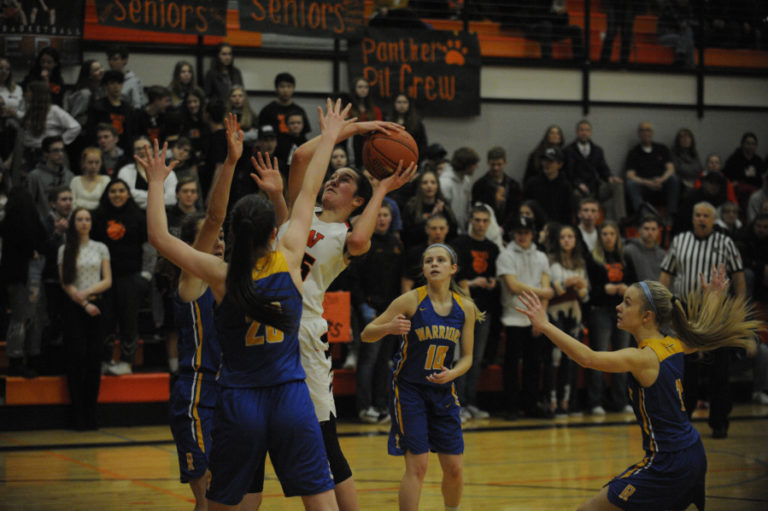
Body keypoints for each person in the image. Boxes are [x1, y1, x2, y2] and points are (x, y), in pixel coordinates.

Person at [143, 98, 350, 510]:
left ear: (234, 232)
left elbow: (161, 239)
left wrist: (154, 182)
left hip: (239, 401)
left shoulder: (221, 275)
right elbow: (309, 189)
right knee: (322, 504)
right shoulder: (290, 256)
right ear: (274, 231)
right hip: (292, 397)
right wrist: (329, 136)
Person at [516, 264, 759, 510]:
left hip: (668, 462)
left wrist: (544, 325)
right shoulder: (674, 344)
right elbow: (704, 331)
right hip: (692, 453)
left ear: (647, 316)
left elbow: (587, 358)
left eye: (628, 303)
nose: (619, 307)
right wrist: (714, 295)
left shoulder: (642, 358)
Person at [283, 111, 416, 511]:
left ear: (356, 201)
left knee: (325, 439)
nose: (332, 180)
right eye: (334, 176)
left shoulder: (344, 237)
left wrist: (381, 190)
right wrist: (351, 131)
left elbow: (362, 236)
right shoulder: (298, 211)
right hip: (268, 327)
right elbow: (300, 161)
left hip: (304, 331)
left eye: (343, 182)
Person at [166, 113, 247, 511]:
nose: (216, 244)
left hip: (234, 391)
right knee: (209, 499)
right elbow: (215, 218)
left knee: (230, 498)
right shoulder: (192, 281)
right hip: (198, 392)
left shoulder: (232, 280)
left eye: (219, 242)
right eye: (208, 240)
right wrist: (230, 163)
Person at [361, 243, 477, 511]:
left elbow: (468, 358)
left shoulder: (466, 308)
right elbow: (366, 333)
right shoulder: (411, 300)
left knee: (455, 469)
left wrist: (453, 374)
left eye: (440, 260)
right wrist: (389, 327)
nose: (434, 264)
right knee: (419, 465)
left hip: (443, 390)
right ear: (423, 269)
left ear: (453, 269)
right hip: (409, 389)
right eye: (428, 261)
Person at [660, 201, 746, 438]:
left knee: (719, 370)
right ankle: (683, 421)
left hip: (717, 312)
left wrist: (738, 311)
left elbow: (738, 277)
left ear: (713, 219)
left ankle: (719, 422)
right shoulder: (680, 241)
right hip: (686, 310)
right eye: (697, 214)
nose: (701, 219)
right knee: (687, 369)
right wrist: (662, 307)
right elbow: (666, 275)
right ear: (692, 218)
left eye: (706, 215)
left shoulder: (725, 242)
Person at [58, 207, 111, 430]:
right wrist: (83, 302)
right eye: (79, 219)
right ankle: (77, 415)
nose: (83, 223)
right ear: (73, 223)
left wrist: (88, 296)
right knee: (76, 358)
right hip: (74, 307)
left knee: (94, 360)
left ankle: (92, 414)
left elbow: (107, 280)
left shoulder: (100, 247)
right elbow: (66, 283)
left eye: (87, 219)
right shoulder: (65, 249)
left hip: (96, 306)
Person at [352, 201, 405, 424]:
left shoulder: (396, 244)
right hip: (370, 310)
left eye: (386, 215)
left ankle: (381, 405)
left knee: (384, 360)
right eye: (379, 215)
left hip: (390, 311)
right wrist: (363, 306)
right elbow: (354, 279)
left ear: (391, 218)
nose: (383, 219)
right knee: (368, 359)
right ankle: (364, 407)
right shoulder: (364, 243)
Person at [496, 215, 553, 418]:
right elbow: (513, 286)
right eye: (519, 232)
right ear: (513, 234)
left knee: (534, 363)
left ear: (532, 234)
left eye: (526, 232)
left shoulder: (541, 257)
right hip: (513, 316)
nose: (522, 236)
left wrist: (542, 317)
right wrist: (541, 292)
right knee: (512, 364)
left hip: (535, 317)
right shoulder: (506, 255)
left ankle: (531, 404)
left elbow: (547, 287)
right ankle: (511, 406)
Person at [91, 179, 147, 376]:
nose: (117, 194)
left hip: (130, 277)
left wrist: (145, 275)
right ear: (107, 194)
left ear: (128, 194)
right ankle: (105, 360)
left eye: (121, 190)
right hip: (103, 279)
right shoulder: (97, 217)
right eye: (113, 191)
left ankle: (126, 361)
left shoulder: (139, 217)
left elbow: (148, 245)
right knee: (105, 321)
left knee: (129, 321)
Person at [453, 204, 499, 420]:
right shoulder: (459, 244)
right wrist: (472, 282)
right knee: (462, 357)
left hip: (484, 310)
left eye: (484, 221)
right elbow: (456, 277)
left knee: (476, 358)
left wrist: (492, 282)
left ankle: (471, 402)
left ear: (489, 223)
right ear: (471, 220)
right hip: (462, 310)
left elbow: (497, 276)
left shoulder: (492, 248)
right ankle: (458, 403)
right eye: (477, 220)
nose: (481, 224)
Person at [586, 220, 636, 414]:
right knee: (599, 356)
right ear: (600, 236)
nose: (608, 237)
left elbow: (635, 285)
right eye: (605, 234)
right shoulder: (594, 258)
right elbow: (590, 291)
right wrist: (604, 289)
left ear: (617, 236)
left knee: (622, 356)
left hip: (621, 311)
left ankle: (621, 401)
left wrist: (627, 289)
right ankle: (595, 401)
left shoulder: (625, 257)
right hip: (600, 311)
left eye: (611, 233)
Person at [545, 224, 588, 415]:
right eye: (563, 237)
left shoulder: (580, 263)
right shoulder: (550, 261)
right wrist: (566, 284)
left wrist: (580, 288)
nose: (567, 240)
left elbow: (586, 295)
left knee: (571, 357)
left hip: (574, 315)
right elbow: (549, 291)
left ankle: (567, 401)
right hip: (555, 314)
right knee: (554, 358)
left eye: (570, 236)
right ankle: (552, 401)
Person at [624, 121, 680, 222]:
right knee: (630, 184)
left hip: (661, 183)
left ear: (652, 133)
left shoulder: (662, 149)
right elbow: (630, 175)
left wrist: (661, 180)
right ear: (639, 133)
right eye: (643, 130)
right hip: (644, 185)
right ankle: (645, 216)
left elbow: (671, 169)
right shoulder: (634, 152)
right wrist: (647, 183)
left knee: (674, 179)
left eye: (648, 130)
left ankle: (671, 216)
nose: (646, 133)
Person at [20, 81, 80, 168]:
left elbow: (75, 127)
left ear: (36, 94)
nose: (26, 94)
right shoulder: (29, 110)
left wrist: (59, 142)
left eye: (29, 91)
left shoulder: (54, 110)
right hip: (30, 153)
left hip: (48, 154)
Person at [402, 169, 458, 248]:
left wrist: (443, 213)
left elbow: (453, 232)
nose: (429, 186)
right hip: (417, 249)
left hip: (442, 248)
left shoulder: (444, 205)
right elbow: (408, 234)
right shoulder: (411, 206)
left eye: (433, 182)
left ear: (437, 185)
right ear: (419, 186)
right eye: (425, 182)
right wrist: (432, 216)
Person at [118, 136, 177, 209]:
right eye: (138, 149)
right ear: (134, 152)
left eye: (146, 148)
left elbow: (171, 199)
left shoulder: (167, 171)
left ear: (153, 150)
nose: (142, 151)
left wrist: (143, 203)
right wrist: (159, 197)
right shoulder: (125, 171)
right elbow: (125, 195)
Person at [86, 70, 134, 155]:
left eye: (119, 83)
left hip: (124, 150)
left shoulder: (128, 108)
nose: (116, 87)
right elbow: (91, 131)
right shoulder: (97, 107)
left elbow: (130, 133)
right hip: (102, 149)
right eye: (112, 83)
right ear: (106, 86)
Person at [471, 146, 522, 225]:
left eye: (499, 164)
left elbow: (516, 211)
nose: (496, 168)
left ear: (505, 163)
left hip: (509, 229)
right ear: (488, 163)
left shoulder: (514, 185)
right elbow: (477, 210)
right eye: (493, 164)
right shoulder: (479, 185)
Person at [26, 135, 74, 219]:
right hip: (43, 225)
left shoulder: (69, 176)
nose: (60, 154)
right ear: (46, 153)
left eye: (62, 150)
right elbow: (29, 205)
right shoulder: (35, 176)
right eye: (55, 151)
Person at [257, 72, 311, 138]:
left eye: (289, 86)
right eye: (282, 86)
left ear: (293, 88)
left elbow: (303, 134)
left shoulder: (299, 111)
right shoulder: (267, 111)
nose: (285, 90)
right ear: (276, 88)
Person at [440, 147, 479, 234]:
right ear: (466, 165)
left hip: (462, 230)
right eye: (474, 164)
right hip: (448, 232)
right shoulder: (445, 183)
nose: (476, 167)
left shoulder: (466, 180)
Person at [348, 76, 382, 167]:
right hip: (353, 147)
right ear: (354, 89)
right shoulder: (348, 109)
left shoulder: (375, 110)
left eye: (366, 87)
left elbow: (379, 130)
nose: (363, 90)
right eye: (360, 87)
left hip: (370, 146)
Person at [623, 215, 665, 282]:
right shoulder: (628, 251)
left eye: (653, 229)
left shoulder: (663, 254)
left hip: (658, 291)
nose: (650, 232)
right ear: (639, 230)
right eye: (646, 228)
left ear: (658, 232)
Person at [386, 93, 427, 158]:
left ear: (409, 104)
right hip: (391, 157)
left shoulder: (417, 123)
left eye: (405, 102)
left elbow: (423, 145)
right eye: (399, 102)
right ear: (394, 104)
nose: (402, 105)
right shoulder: (387, 122)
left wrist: (416, 159)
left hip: (411, 158)